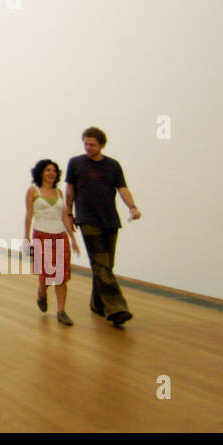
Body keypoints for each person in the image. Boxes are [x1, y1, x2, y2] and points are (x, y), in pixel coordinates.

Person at [65, 127, 142, 326]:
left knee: (106, 266)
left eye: (92, 144)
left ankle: (97, 303)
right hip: (87, 220)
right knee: (100, 264)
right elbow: (70, 189)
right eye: (85, 143)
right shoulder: (76, 163)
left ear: (101, 145)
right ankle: (117, 308)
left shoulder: (113, 166)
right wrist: (69, 213)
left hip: (110, 220)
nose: (88, 147)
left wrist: (132, 207)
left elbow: (122, 188)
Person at [24, 159, 79, 325]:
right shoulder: (33, 191)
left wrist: (73, 239)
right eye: (48, 170)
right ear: (41, 172)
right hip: (41, 235)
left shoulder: (60, 193)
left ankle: (61, 312)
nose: (51, 173)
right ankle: (42, 292)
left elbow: (64, 217)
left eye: (54, 170)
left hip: (60, 237)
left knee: (61, 277)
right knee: (46, 275)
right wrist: (26, 237)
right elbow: (29, 215)